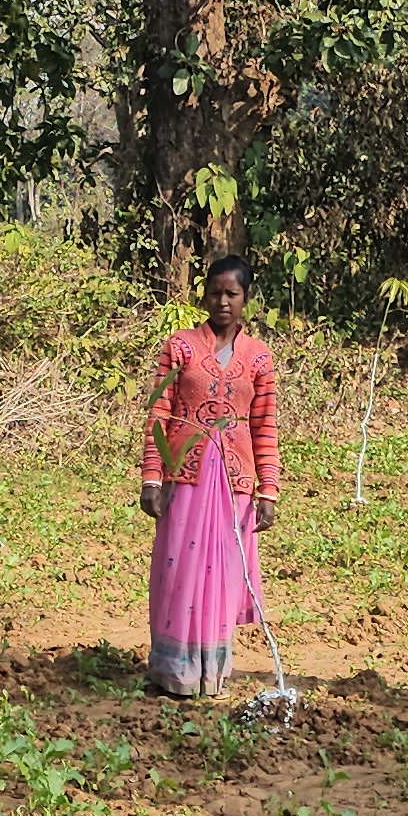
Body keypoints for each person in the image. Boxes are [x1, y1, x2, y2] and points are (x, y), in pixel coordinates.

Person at [136, 254, 280, 697]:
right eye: (215, 293)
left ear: (246, 299)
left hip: (233, 483)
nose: (222, 302)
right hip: (185, 476)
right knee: (177, 570)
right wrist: (152, 477)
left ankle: (211, 672)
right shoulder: (180, 346)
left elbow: (265, 424)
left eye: (231, 294)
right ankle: (172, 672)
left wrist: (268, 489)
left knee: (221, 572)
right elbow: (160, 412)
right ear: (204, 295)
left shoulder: (258, 357)